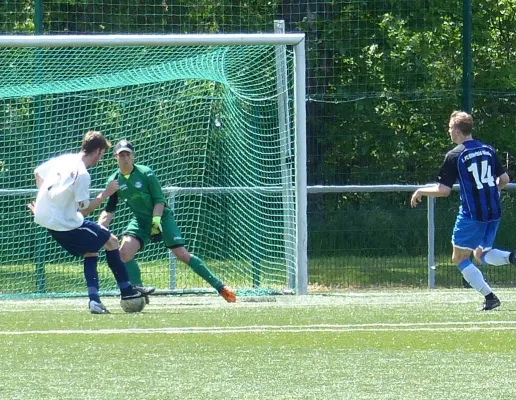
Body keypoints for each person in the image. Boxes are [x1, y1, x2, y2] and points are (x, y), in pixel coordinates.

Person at [30, 131, 154, 314]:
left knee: (91, 251)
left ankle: (95, 301)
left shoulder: (65, 159)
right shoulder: (82, 174)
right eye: (102, 154)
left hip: (51, 221)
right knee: (111, 241)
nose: (100, 158)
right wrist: (106, 193)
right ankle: (127, 291)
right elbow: (85, 210)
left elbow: (38, 173)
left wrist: (45, 205)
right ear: (97, 151)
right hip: (66, 224)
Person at [97, 139, 237, 303]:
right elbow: (110, 209)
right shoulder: (114, 181)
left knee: (181, 254)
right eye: (121, 155)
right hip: (141, 221)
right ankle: (138, 292)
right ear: (115, 157)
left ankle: (221, 287)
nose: (125, 158)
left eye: (128, 154)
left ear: (133, 155)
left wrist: (156, 222)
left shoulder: (146, 173)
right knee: (124, 252)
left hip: (162, 217)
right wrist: (99, 228)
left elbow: (159, 200)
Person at [410, 110, 514, 311]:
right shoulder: (487, 149)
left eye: (450, 128)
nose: (449, 132)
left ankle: (490, 297)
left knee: (459, 258)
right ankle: (512, 257)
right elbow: (504, 180)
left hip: (472, 214)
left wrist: (421, 190)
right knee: (482, 254)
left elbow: (443, 190)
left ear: (457, 131)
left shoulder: (455, 155)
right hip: (494, 210)